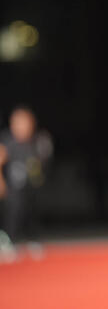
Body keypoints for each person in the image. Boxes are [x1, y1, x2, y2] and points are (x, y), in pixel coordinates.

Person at [0, 106, 53, 249]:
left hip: (31, 187)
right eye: (18, 123)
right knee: (14, 210)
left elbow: (43, 164)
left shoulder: (38, 140)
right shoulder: (7, 142)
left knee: (31, 211)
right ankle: (8, 238)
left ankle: (32, 239)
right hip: (13, 188)